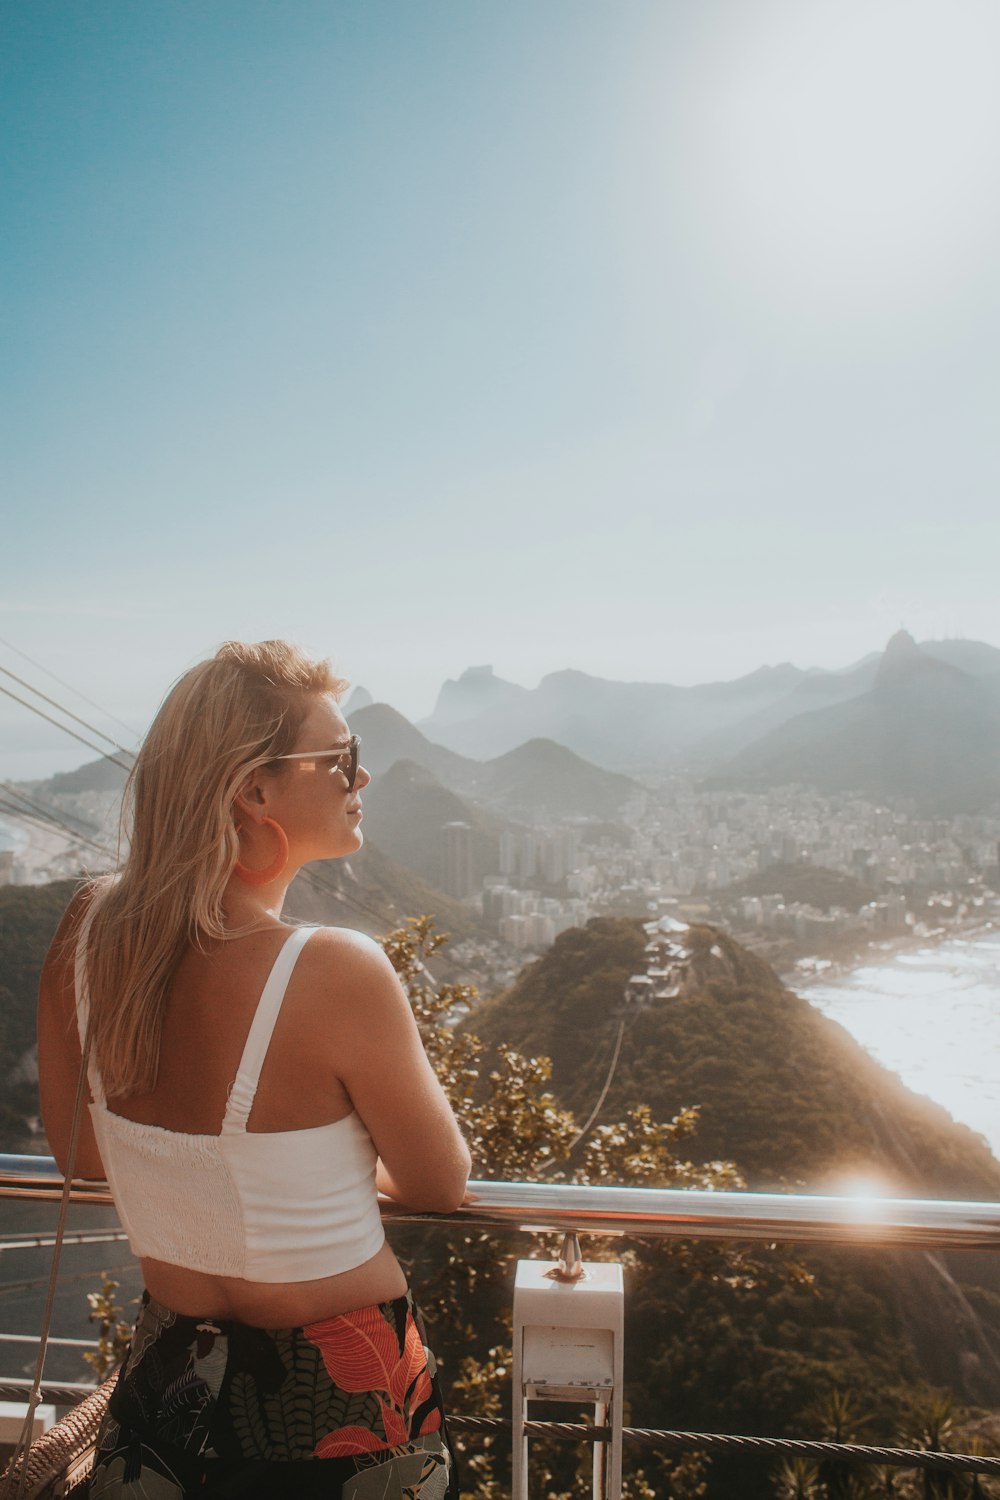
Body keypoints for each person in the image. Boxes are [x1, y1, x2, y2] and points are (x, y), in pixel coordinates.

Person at [37, 640, 471, 1499]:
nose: (363, 779)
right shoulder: (335, 970)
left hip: (163, 1393)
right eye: (343, 759)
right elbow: (437, 1180)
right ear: (254, 789)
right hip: (337, 1404)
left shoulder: (86, 934)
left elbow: (85, 1158)